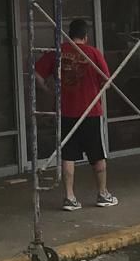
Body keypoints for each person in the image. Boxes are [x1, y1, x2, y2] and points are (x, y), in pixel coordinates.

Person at [35, 17, 118, 211]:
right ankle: (103, 194)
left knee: (68, 155)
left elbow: (37, 74)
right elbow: (107, 80)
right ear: (85, 36)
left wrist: (48, 90)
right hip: (90, 112)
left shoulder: (57, 53)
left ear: (69, 34)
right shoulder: (93, 54)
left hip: (66, 112)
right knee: (97, 155)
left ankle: (70, 198)